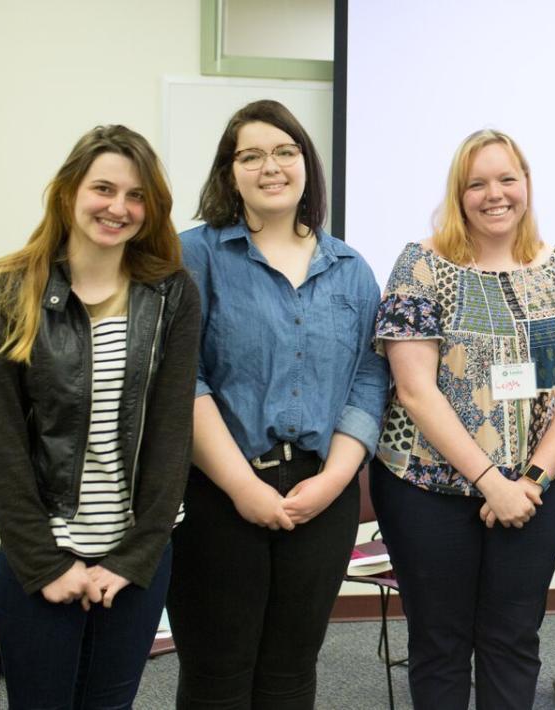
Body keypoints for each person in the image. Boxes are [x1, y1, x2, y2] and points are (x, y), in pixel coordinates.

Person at [0, 124, 200, 708]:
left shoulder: (171, 294)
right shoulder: (2, 292)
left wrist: (132, 559)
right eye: (104, 189)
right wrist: (46, 564)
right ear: (69, 190)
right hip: (40, 556)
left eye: (137, 196)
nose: (119, 208)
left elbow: (173, 438)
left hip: (137, 558)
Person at [371, 128, 555, 709]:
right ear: (458, 193)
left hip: (535, 491)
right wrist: (490, 482)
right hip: (428, 487)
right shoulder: (421, 266)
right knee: (441, 642)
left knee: (513, 638)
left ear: (526, 185)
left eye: (507, 179)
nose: (494, 194)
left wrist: (529, 482)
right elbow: (415, 390)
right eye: (477, 183)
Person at [167, 99, 388, 708]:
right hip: (216, 493)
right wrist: (242, 486)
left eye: (285, 151)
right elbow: (183, 379)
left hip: (322, 495)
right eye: (251, 155)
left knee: (292, 673)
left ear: (306, 165)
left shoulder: (351, 270)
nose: (271, 166)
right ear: (228, 172)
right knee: (218, 674)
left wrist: (335, 480)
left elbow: (368, 382)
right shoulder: (197, 256)